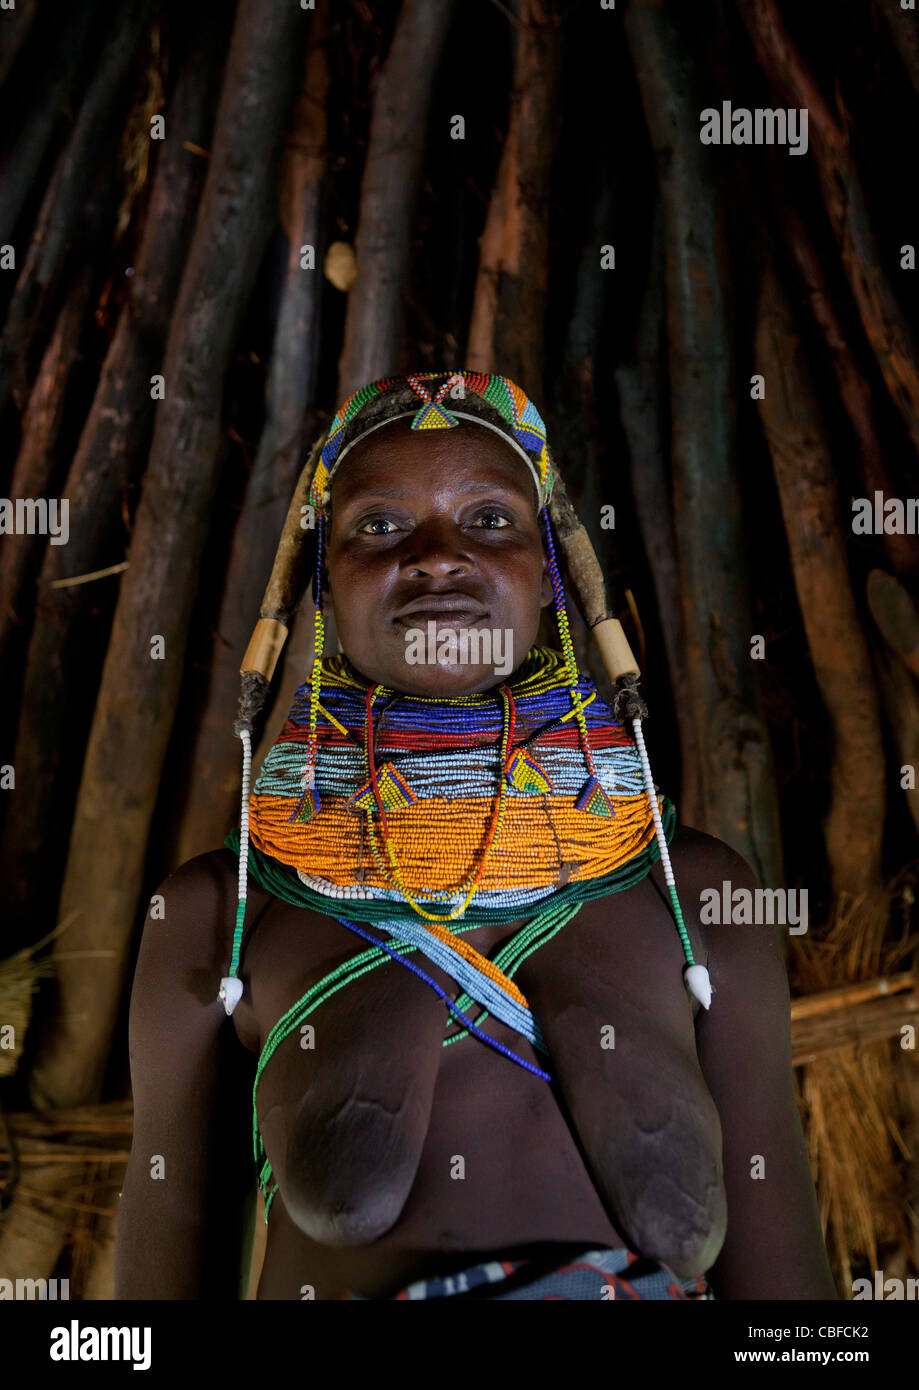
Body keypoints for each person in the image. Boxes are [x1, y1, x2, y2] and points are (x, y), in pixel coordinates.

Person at [114, 371, 838, 1300]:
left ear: (547, 574)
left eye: (488, 519)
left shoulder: (692, 896)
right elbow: (159, 1269)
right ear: (322, 590)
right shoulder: (229, 908)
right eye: (378, 526)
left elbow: (791, 1306)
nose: (436, 556)